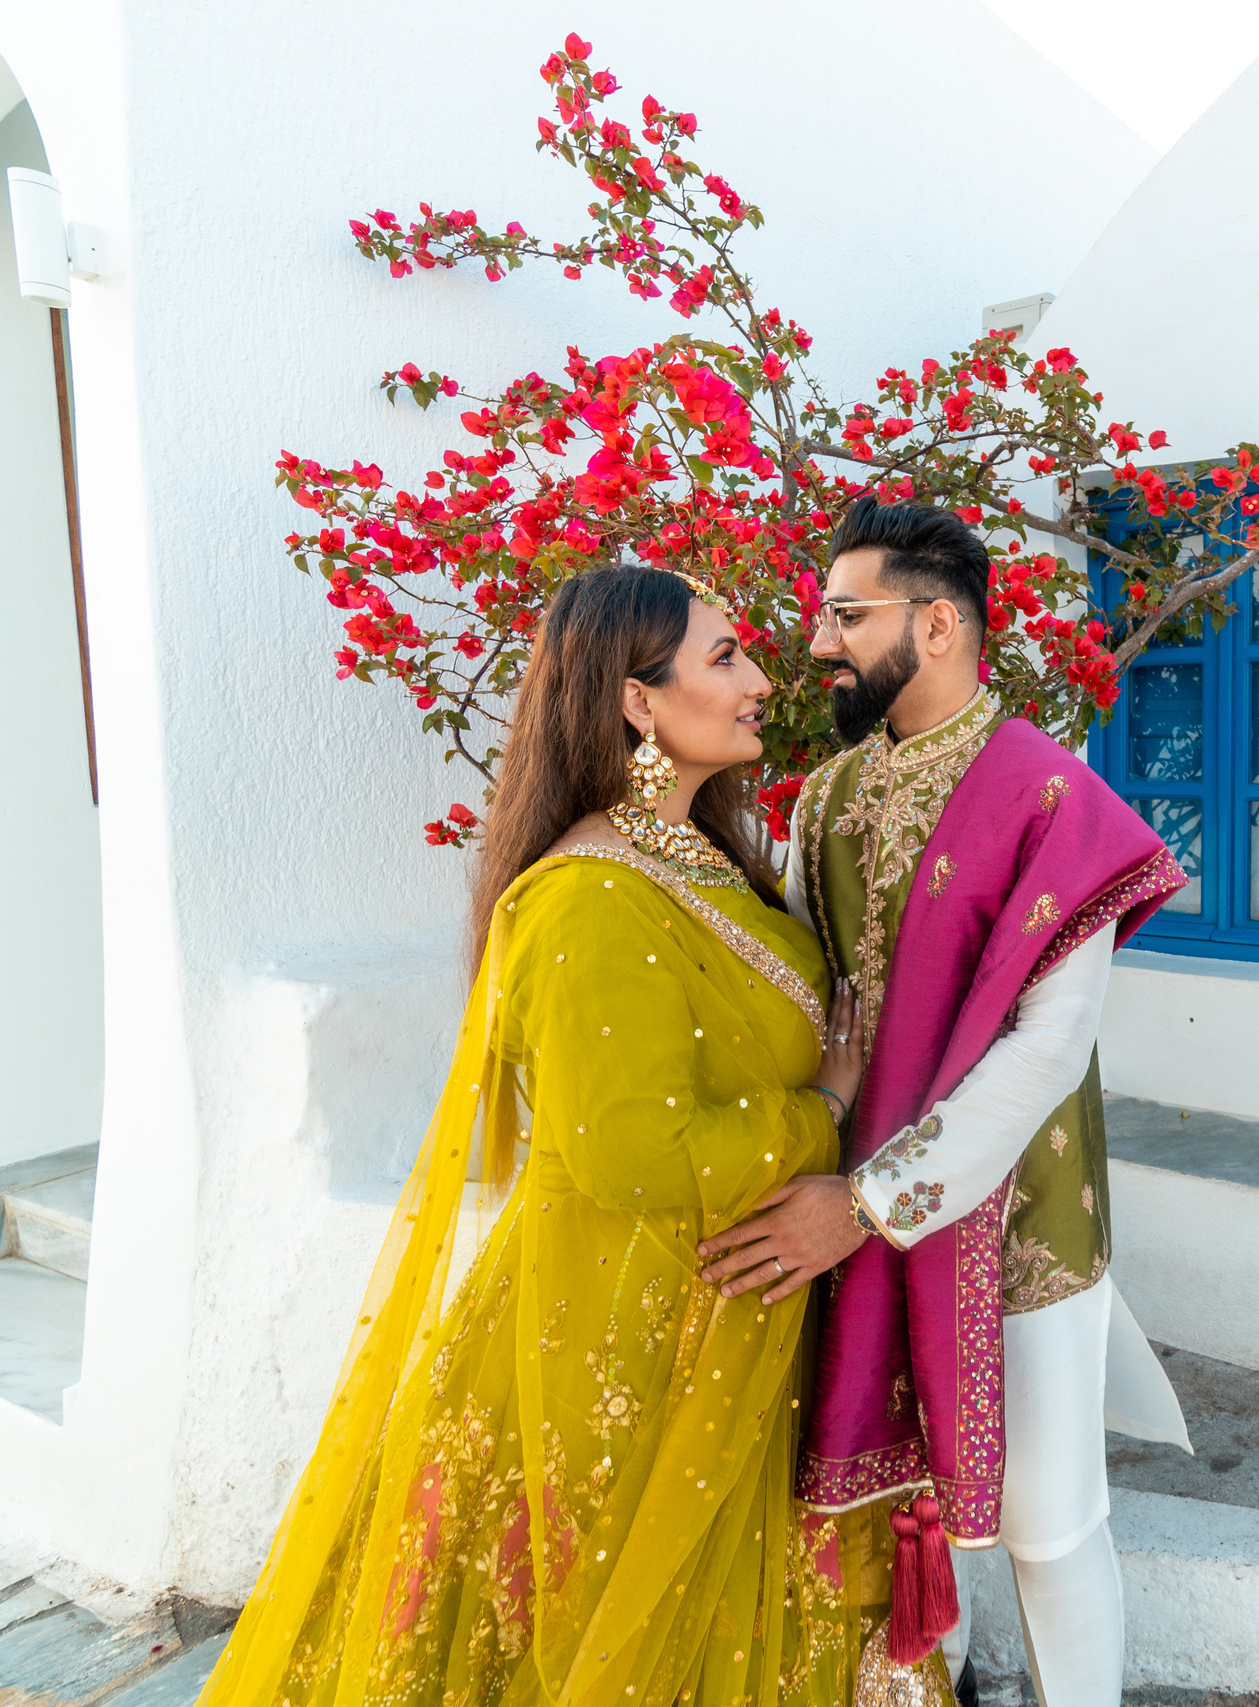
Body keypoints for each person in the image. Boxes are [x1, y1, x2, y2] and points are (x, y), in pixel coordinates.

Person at [200, 567, 947, 1707]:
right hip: (627, 1336)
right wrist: (825, 1112)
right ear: (638, 703)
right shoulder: (583, 900)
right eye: (724, 658)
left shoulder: (701, 856)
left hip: (728, 1307)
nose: (757, 680)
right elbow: (628, 1154)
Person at [696, 502, 1190, 1707]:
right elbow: (817, 1010)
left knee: (1049, 1519)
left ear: (939, 625)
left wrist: (866, 1204)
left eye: (845, 617)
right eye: (822, 615)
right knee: (900, 1506)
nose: (815, 643)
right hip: (854, 1212)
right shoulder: (825, 804)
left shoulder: (1052, 802)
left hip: (1016, 1222)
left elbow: (1046, 1050)